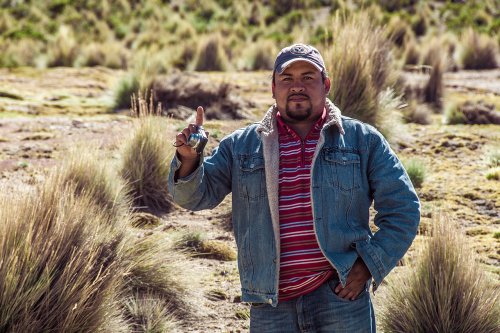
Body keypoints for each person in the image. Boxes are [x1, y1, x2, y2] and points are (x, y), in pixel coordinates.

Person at [169, 43, 420, 332]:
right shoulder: (242, 146)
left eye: (308, 77)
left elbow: (404, 209)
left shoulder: (362, 140)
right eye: (287, 79)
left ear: (326, 85)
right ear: (273, 88)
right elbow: (195, 196)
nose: (297, 86)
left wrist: (369, 265)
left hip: (341, 299)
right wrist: (188, 160)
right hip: (271, 305)